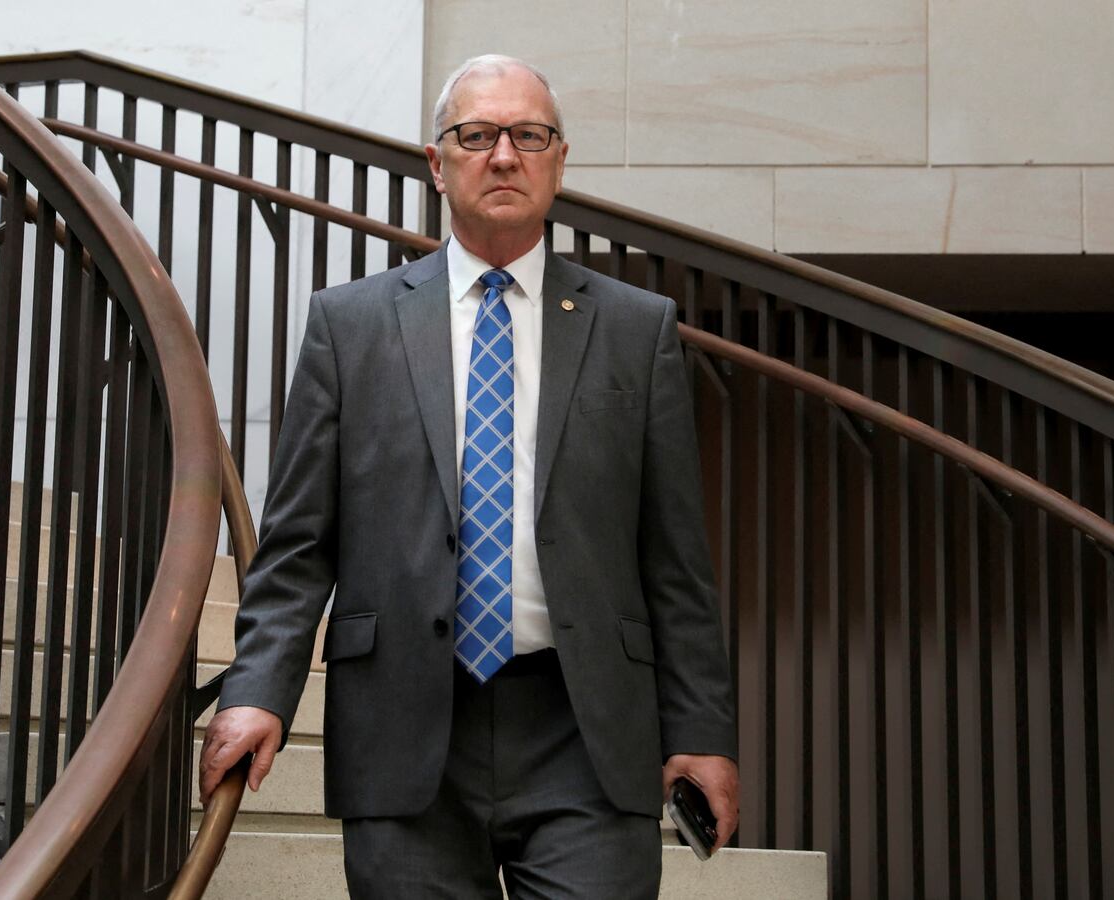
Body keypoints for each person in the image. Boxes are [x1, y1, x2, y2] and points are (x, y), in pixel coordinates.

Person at [199, 54, 739, 898]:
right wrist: (257, 689)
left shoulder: (638, 330)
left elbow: (676, 559)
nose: (503, 155)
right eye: (477, 134)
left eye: (529, 135)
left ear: (559, 159)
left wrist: (702, 729)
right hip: (403, 726)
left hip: (585, 732)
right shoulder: (350, 326)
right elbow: (298, 542)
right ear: (436, 161)